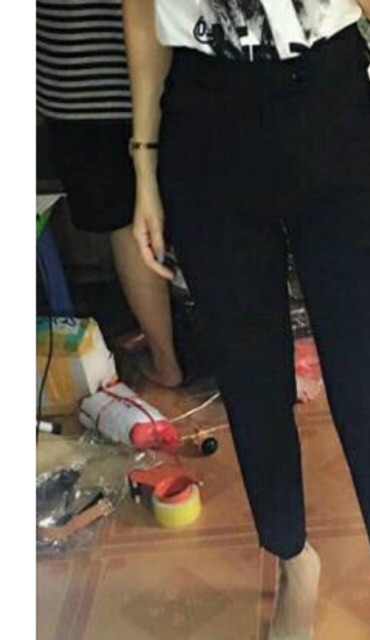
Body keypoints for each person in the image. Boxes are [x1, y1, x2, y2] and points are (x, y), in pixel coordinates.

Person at [123, 1, 370, 638]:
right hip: (207, 122)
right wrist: (144, 165)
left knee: (368, 385)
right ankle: (293, 559)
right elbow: (141, 12)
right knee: (250, 381)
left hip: (332, 110)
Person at [36, 0, 182, 388]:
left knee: (128, 223)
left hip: (85, 78)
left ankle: (165, 358)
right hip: (162, 68)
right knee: (149, 217)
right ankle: (167, 342)